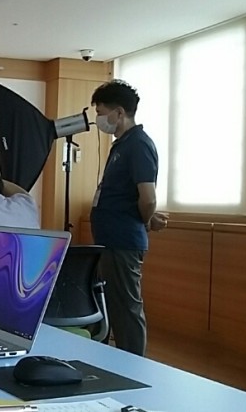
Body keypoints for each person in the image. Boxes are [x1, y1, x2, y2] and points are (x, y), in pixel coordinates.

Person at [90, 79, 168, 357]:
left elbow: (148, 198)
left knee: (126, 308)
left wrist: (146, 219)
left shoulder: (138, 144)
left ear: (119, 112)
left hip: (123, 240)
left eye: (101, 112)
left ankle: (133, 366)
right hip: (111, 237)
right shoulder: (121, 145)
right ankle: (115, 361)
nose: (98, 119)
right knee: (113, 304)